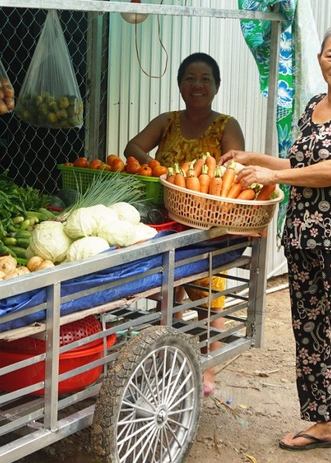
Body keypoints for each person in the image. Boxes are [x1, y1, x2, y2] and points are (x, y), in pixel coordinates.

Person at [219, 25, 331, 463]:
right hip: (304, 235)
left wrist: (274, 177)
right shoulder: (314, 107)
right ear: (319, 59)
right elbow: (299, 163)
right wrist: (253, 159)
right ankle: (323, 422)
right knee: (308, 329)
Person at [124, 52, 245, 397]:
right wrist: (157, 168)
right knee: (167, 289)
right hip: (167, 218)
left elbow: (232, 169)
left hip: (207, 223)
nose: (197, 85)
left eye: (205, 79)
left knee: (209, 294)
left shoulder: (226, 125)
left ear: (216, 86)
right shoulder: (168, 121)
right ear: (180, 85)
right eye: (190, 78)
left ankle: (208, 369)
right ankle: (165, 354)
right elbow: (133, 146)